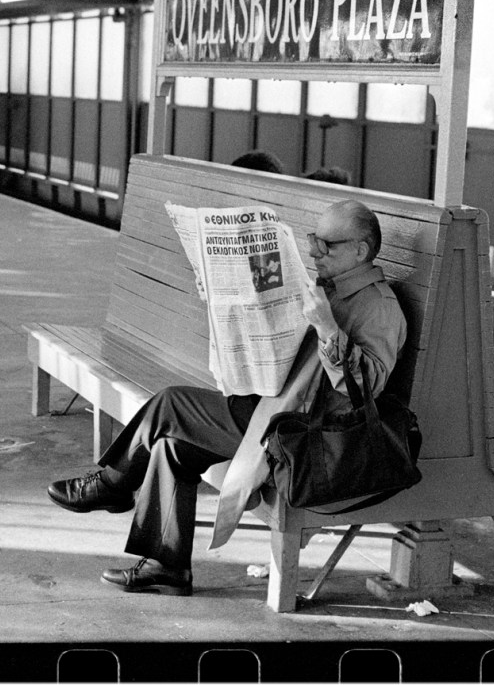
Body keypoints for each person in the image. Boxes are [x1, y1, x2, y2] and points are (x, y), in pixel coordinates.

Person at [47, 199, 407, 595]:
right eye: (312, 241)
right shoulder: (330, 287)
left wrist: (325, 327)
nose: (313, 252)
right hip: (271, 404)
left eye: (327, 246)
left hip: (301, 432)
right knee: (171, 447)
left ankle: (113, 484)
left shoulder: (379, 307)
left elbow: (365, 389)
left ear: (360, 250)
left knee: (170, 404)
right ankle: (167, 566)